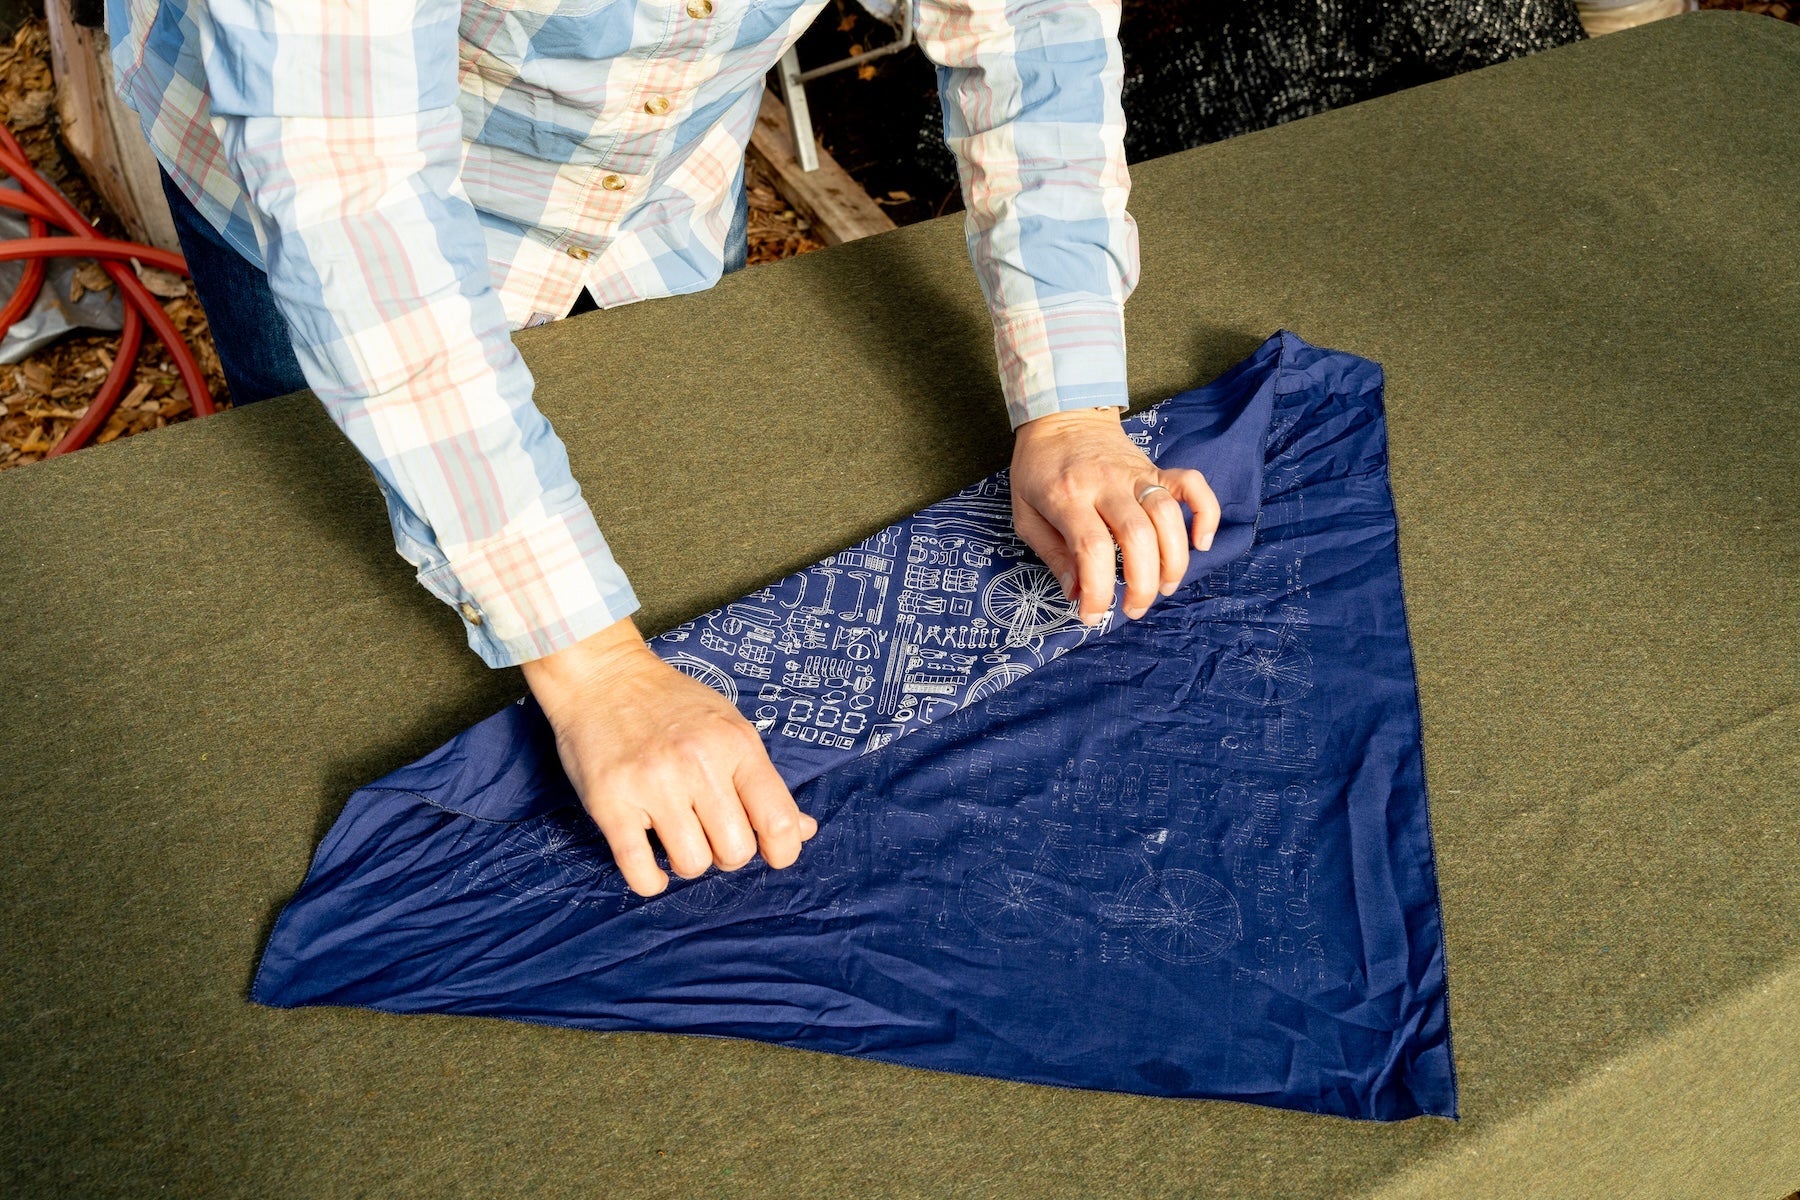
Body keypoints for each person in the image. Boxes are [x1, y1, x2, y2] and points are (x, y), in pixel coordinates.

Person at [110, 0, 1222, 898]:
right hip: (314, 186)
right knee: (336, 607)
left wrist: (1070, 406)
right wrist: (593, 668)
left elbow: (1030, 23)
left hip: (655, 177)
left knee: (684, 490)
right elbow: (358, 209)